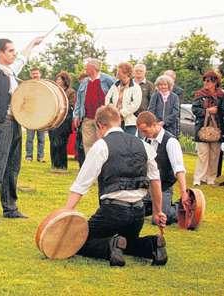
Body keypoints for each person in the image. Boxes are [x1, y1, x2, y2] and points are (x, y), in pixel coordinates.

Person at [65, 105, 167, 267]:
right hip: (138, 214)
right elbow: (155, 181)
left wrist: (65, 213)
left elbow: (81, 184)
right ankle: (153, 245)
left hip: (113, 212)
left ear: (100, 125)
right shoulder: (144, 145)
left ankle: (110, 246)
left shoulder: (101, 146)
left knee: (78, 242)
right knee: (128, 243)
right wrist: (157, 212)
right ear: (119, 121)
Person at [0, 16, 43, 223]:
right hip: (3, 122)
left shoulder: (11, 72)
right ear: (1, 53)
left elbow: (23, 57)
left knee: (13, 168)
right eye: (10, 51)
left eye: (14, 51)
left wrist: (33, 43)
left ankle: (10, 207)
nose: (14, 54)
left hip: (16, 124)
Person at [137, 111, 189, 225]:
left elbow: (179, 169)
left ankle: (180, 207)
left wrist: (184, 192)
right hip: (147, 188)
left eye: (145, 131)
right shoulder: (146, 140)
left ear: (154, 125)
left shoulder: (171, 142)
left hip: (164, 187)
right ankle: (152, 206)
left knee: (161, 218)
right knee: (134, 213)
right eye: (141, 131)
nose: (143, 134)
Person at [73, 59, 116, 155]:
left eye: (87, 67)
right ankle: (91, 166)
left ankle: (103, 167)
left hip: (103, 119)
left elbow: (116, 93)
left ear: (93, 68)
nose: (85, 69)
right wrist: (76, 115)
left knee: (103, 143)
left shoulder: (107, 79)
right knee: (87, 144)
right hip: (87, 118)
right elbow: (79, 101)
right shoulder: (84, 82)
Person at [191, 70, 224, 186]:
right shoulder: (199, 94)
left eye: (209, 80)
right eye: (205, 80)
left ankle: (211, 178)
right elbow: (194, 110)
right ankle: (198, 178)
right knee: (202, 154)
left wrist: (218, 110)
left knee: (215, 155)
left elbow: (223, 111)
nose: (206, 82)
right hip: (202, 128)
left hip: (218, 128)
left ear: (215, 82)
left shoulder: (221, 95)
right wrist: (207, 111)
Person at [105, 62, 142, 135]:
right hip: (114, 121)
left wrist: (121, 113)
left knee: (129, 144)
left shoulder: (136, 87)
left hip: (129, 123)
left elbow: (135, 105)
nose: (117, 73)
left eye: (119, 71)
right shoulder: (115, 85)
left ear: (126, 73)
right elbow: (108, 99)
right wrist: (111, 109)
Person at [49, 70, 75, 172]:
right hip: (53, 120)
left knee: (62, 143)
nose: (57, 81)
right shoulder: (53, 90)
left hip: (65, 121)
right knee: (53, 142)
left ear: (65, 80)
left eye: (59, 79)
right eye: (57, 79)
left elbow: (71, 106)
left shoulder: (71, 92)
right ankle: (54, 165)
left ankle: (62, 166)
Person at [25, 67, 46, 162]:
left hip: (42, 116)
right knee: (29, 138)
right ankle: (29, 156)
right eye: (33, 74)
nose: (35, 75)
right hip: (30, 116)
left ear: (40, 74)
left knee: (41, 139)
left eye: (36, 73)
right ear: (31, 75)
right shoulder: (27, 86)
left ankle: (40, 157)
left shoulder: (45, 86)